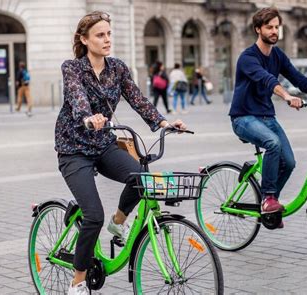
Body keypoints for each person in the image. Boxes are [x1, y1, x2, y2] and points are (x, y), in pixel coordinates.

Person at [55, 11, 186, 295]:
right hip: (73, 149)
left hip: (102, 144)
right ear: (84, 39)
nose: (107, 40)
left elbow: (137, 98)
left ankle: (119, 222)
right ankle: (77, 280)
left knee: (141, 178)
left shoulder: (117, 68)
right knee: (92, 216)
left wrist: (163, 122)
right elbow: (77, 99)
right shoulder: (72, 68)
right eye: (100, 35)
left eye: (109, 34)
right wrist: (89, 117)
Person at [229, 7, 307, 226]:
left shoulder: (277, 55)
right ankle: (268, 198)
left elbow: (299, 79)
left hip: (266, 117)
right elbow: (266, 79)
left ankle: (269, 206)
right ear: (258, 29)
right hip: (243, 117)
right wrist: (286, 96)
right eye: (269, 27)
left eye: (277, 27)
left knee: (289, 163)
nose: (274, 31)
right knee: (273, 143)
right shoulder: (247, 57)